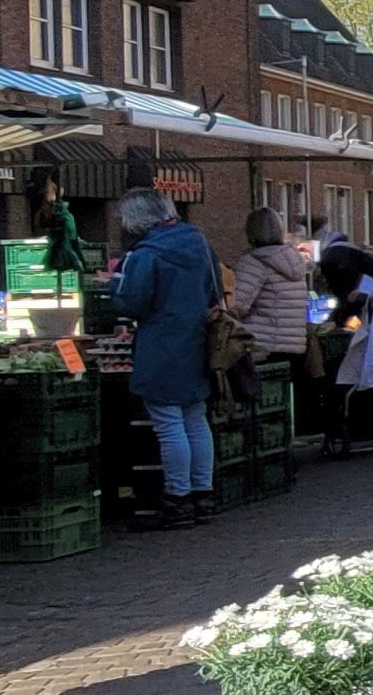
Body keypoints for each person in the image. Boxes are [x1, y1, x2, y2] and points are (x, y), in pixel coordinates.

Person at [109, 191, 223, 523]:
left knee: (168, 422)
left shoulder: (145, 254)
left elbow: (130, 302)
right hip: (197, 340)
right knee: (195, 418)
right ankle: (204, 494)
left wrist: (113, 288)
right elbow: (214, 291)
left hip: (160, 344)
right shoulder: (199, 243)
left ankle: (178, 497)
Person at [228, 206, 320, 389]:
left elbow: (238, 306)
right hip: (295, 345)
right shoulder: (294, 261)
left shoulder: (253, 262)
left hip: (263, 346)